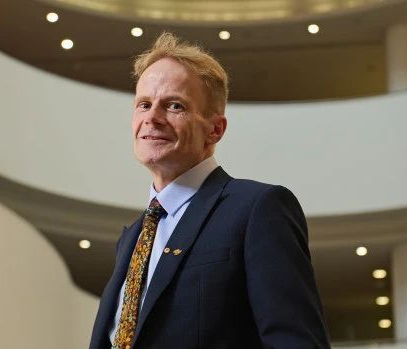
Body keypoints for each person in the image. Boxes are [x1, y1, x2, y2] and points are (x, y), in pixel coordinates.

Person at [90, 32, 330, 349]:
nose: (152, 118)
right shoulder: (132, 238)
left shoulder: (258, 209)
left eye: (174, 106)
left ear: (214, 129)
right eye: (144, 104)